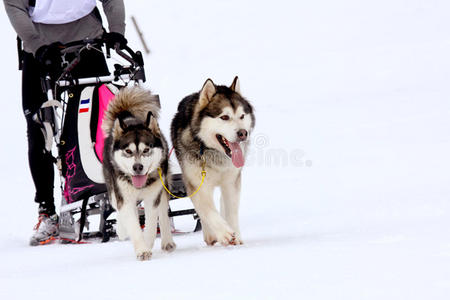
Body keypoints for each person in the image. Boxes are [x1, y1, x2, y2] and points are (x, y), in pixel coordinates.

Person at [3, 0, 128, 245]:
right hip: (39, 43)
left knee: (105, 119)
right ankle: (47, 212)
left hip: (87, 38)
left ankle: (124, 198)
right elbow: (14, 7)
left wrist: (116, 31)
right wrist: (37, 46)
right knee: (39, 127)